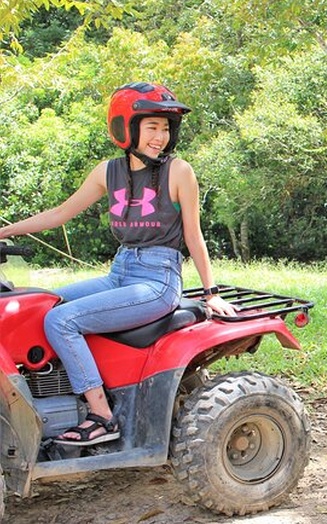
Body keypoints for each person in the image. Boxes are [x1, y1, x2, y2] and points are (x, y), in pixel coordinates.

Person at [0, 82, 236, 446]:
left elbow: (194, 235)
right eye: (152, 126)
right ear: (126, 127)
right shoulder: (107, 172)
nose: (161, 136)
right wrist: (5, 232)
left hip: (158, 282)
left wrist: (212, 293)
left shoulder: (179, 172)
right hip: (121, 272)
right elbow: (62, 213)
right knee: (39, 307)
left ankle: (101, 415)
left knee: (61, 320)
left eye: (165, 127)